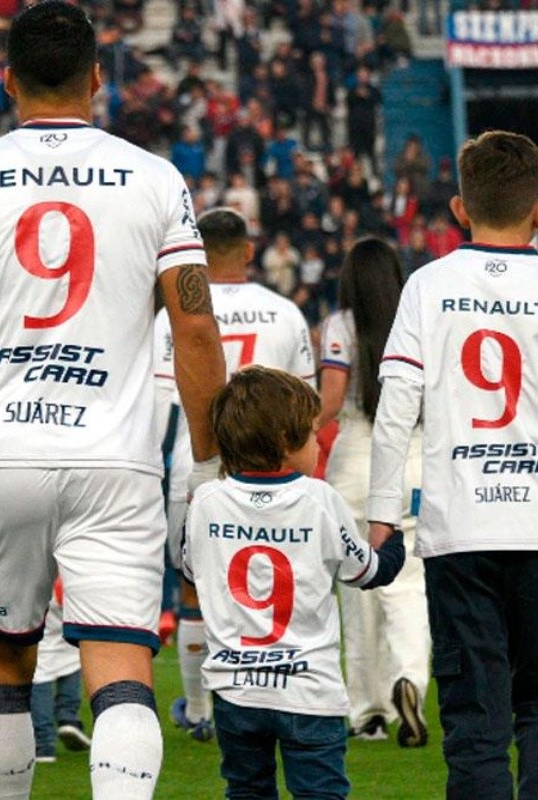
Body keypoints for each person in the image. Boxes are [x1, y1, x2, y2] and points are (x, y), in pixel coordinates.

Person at [0, 4, 225, 799]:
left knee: (0, 663)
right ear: (97, 78)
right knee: (121, 668)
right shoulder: (156, 178)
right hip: (115, 458)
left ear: (7, 80)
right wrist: (210, 460)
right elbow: (193, 324)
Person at [368, 130, 538, 798]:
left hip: (460, 531)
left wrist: (383, 516)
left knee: (475, 725)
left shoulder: (427, 285)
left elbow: (395, 408)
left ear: (460, 210)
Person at [183, 366, 405, 799]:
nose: (317, 444)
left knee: (246, 790)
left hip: (236, 689)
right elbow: (368, 572)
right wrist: (391, 542)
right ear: (286, 442)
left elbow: (191, 570)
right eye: (310, 434)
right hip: (308, 689)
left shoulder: (207, 501)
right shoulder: (319, 499)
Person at [154, 207, 315, 740]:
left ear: (197, 252)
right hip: (274, 475)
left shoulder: (171, 314)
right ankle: (273, 698)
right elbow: (306, 407)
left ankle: (200, 711)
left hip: (196, 467)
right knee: (270, 587)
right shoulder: (285, 313)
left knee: (196, 593)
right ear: (249, 251)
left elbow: (157, 403)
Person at [318, 238, 430, 747]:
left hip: (355, 462)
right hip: (412, 459)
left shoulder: (339, 325)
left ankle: (367, 712)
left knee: (358, 592)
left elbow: (332, 399)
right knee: (407, 586)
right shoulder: (420, 320)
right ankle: (409, 678)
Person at [31, 580, 91, 763]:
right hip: (68, 580)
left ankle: (44, 743)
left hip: (36, 582)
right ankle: (68, 718)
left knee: (41, 664)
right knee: (72, 649)